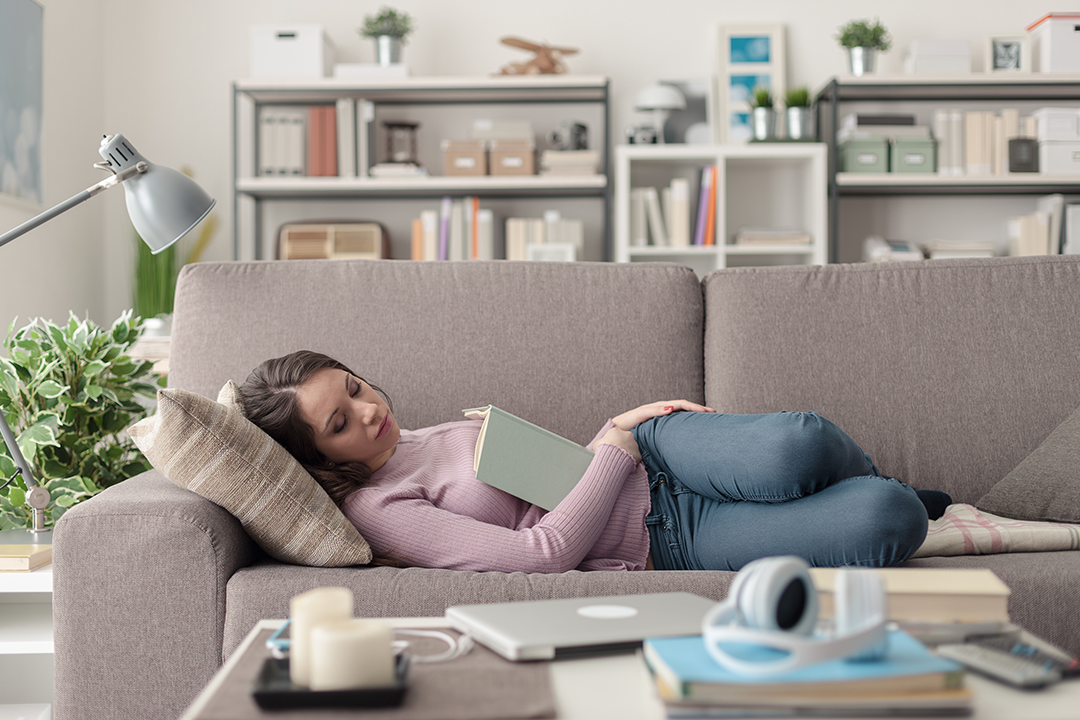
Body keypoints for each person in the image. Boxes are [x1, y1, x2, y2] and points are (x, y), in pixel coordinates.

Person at [239, 350, 940, 573]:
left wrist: (620, 434)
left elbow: (554, 470)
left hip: (656, 458)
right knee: (890, 519)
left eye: (355, 388)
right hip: (665, 540)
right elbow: (542, 553)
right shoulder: (379, 510)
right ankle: (891, 493)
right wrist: (609, 446)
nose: (368, 410)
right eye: (340, 421)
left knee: (802, 441)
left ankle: (870, 475)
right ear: (320, 458)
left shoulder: (412, 434)